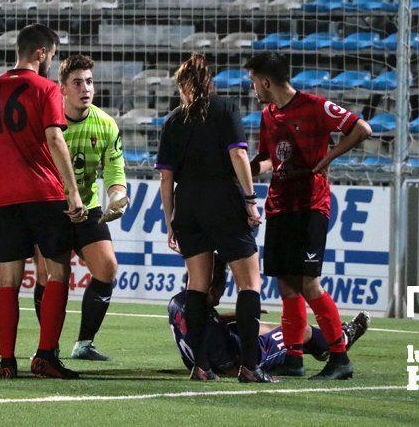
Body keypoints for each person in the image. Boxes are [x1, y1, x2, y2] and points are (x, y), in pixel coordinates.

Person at [244, 51, 372, 381]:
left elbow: (362, 128)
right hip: (280, 206)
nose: (253, 88)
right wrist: (240, 169)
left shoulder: (315, 106)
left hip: (310, 206)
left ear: (266, 81)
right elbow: (269, 160)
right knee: (286, 285)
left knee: (309, 283)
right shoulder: (268, 115)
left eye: (253, 82)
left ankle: (340, 359)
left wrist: (329, 156)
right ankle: (294, 359)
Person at [0, 23, 87, 379]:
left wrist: (0, 187)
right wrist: (73, 191)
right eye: (52, 55)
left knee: (7, 278)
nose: (52, 61)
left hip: (5, 198)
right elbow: (55, 139)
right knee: (58, 271)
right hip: (43, 193)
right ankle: (44, 358)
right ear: (40, 53)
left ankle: (7, 363)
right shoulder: (46, 88)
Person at [156, 53, 272, 382]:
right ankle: (250, 366)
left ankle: (201, 366)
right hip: (223, 201)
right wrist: (250, 200)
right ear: (209, 83)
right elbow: (238, 154)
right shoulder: (225, 110)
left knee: (197, 285)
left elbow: (166, 179)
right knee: (249, 283)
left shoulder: (173, 121)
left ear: (183, 87)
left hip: (188, 204)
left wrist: (170, 221)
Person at [32, 54, 129, 361]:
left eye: (89, 81)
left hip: (87, 207)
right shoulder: (47, 122)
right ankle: (50, 345)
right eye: (77, 83)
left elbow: (115, 172)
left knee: (107, 267)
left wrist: (117, 197)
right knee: (47, 276)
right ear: (62, 88)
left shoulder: (106, 124)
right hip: (49, 207)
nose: (85, 88)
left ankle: (84, 344)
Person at [168, 257, 371, 377]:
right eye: (222, 287)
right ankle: (339, 341)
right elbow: (230, 368)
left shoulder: (178, 302)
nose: (221, 294)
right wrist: (253, 370)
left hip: (214, 348)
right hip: (244, 355)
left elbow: (202, 324)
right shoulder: (218, 346)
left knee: (260, 326)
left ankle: (322, 348)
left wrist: (236, 316)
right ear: (212, 286)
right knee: (300, 332)